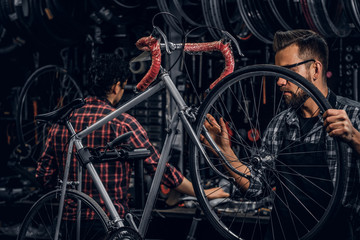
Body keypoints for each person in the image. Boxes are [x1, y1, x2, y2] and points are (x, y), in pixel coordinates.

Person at [203, 29, 360, 239]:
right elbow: (257, 187)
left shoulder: (353, 116)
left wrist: (355, 138)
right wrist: (225, 153)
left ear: (315, 69)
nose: (279, 81)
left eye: (288, 71)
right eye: (279, 73)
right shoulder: (280, 124)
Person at [36, 53, 228, 221]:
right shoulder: (123, 123)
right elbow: (161, 169)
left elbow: (44, 176)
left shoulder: (63, 121)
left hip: (69, 222)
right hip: (111, 222)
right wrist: (202, 192)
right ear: (116, 86)